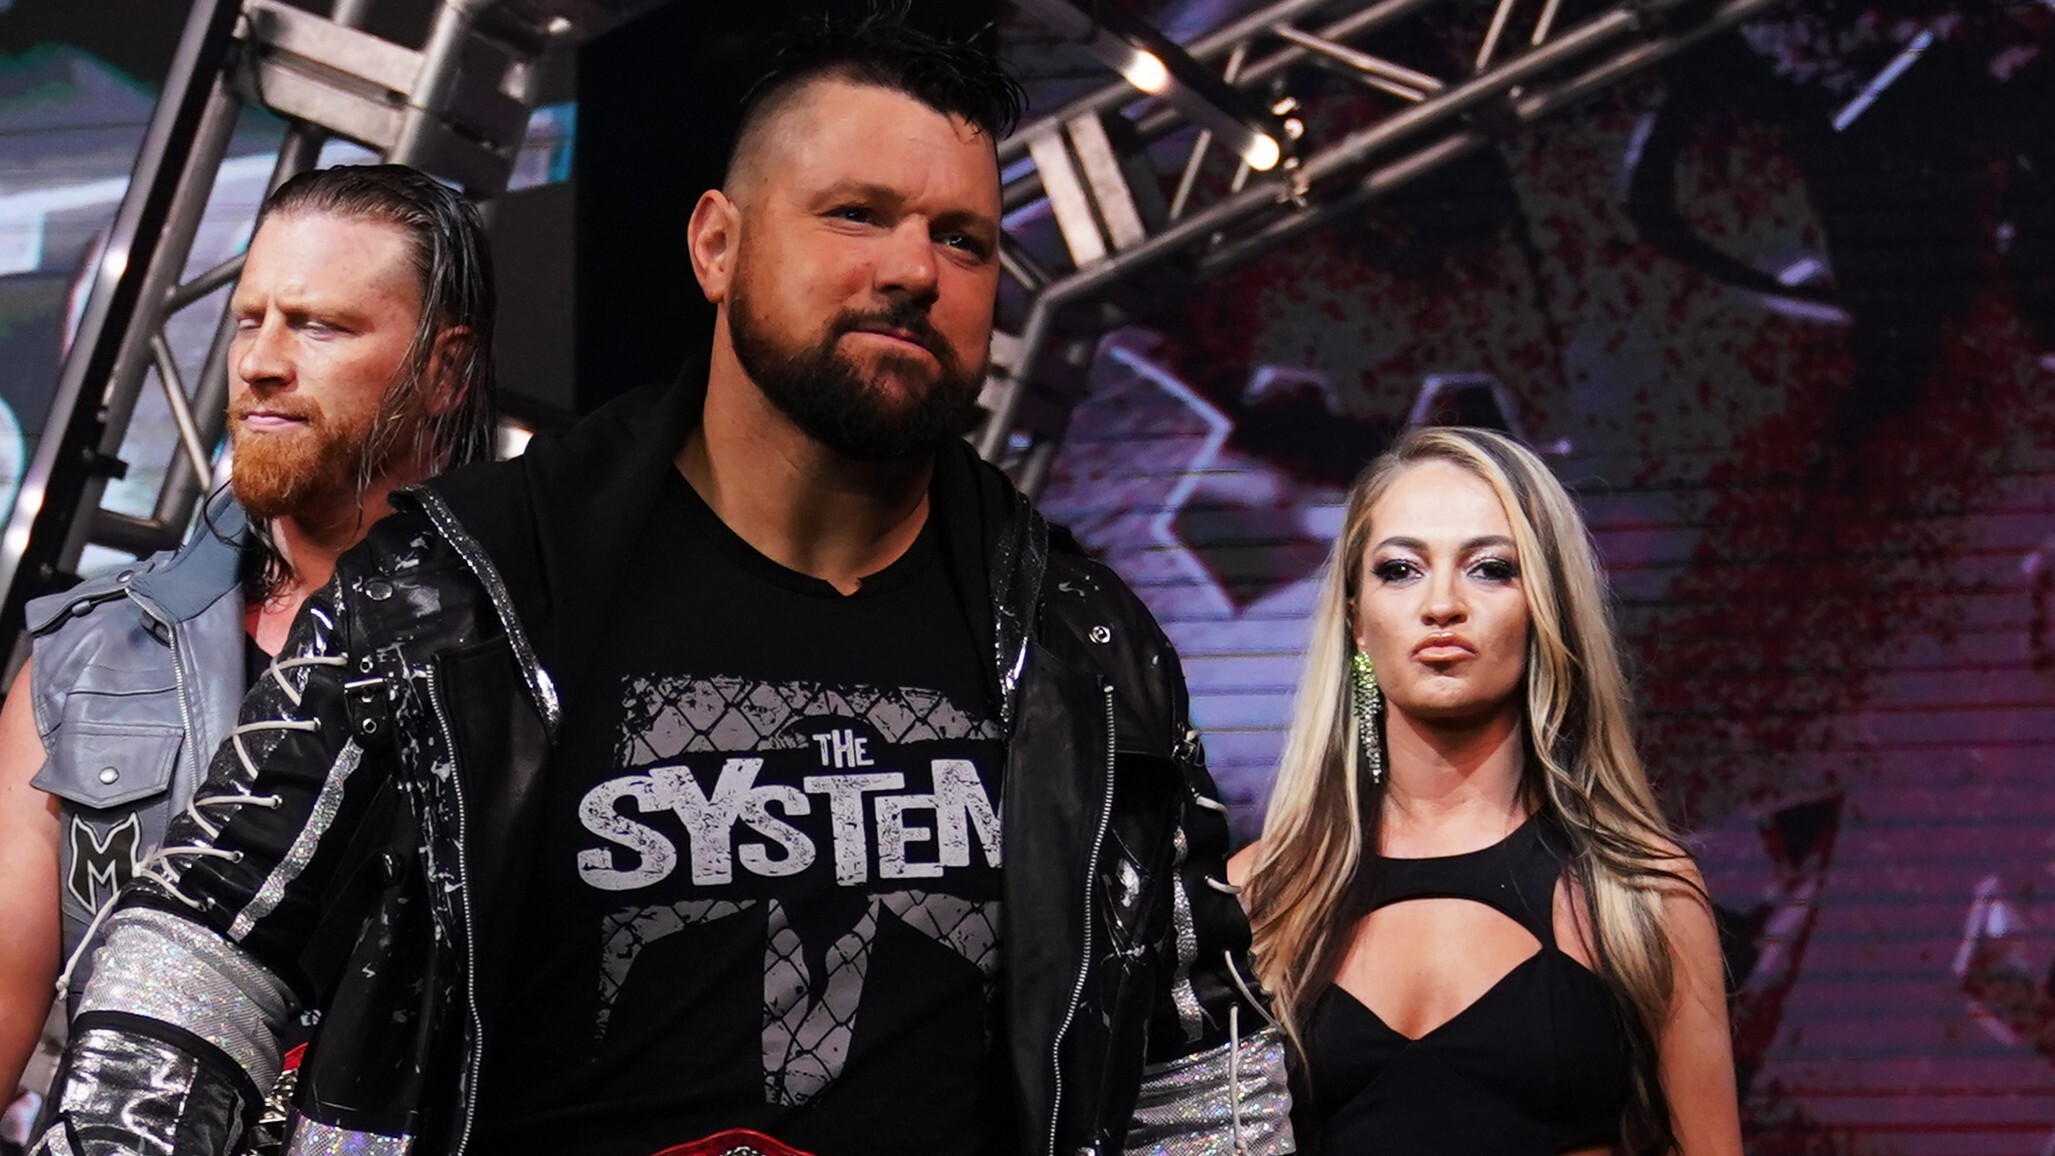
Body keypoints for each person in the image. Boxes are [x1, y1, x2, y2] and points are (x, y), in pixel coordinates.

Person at [28, 15, 1289, 1156]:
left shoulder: (1086, 649)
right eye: (857, 214)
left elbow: (1200, 1071)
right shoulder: (462, 588)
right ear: (716, 244)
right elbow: (201, 938)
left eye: (962, 237)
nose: (916, 269)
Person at [0, 163, 497, 1105]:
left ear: (443, 371)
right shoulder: (88, 658)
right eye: (247, 321)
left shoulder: (533, 655)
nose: (261, 361)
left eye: (318, 325)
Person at [1228, 427, 1741, 1154]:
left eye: (1490, 569)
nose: (1441, 604)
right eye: (1400, 570)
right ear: (1356, 619)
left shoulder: (1639, 894)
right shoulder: (1257, 893)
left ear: (1546, 605)